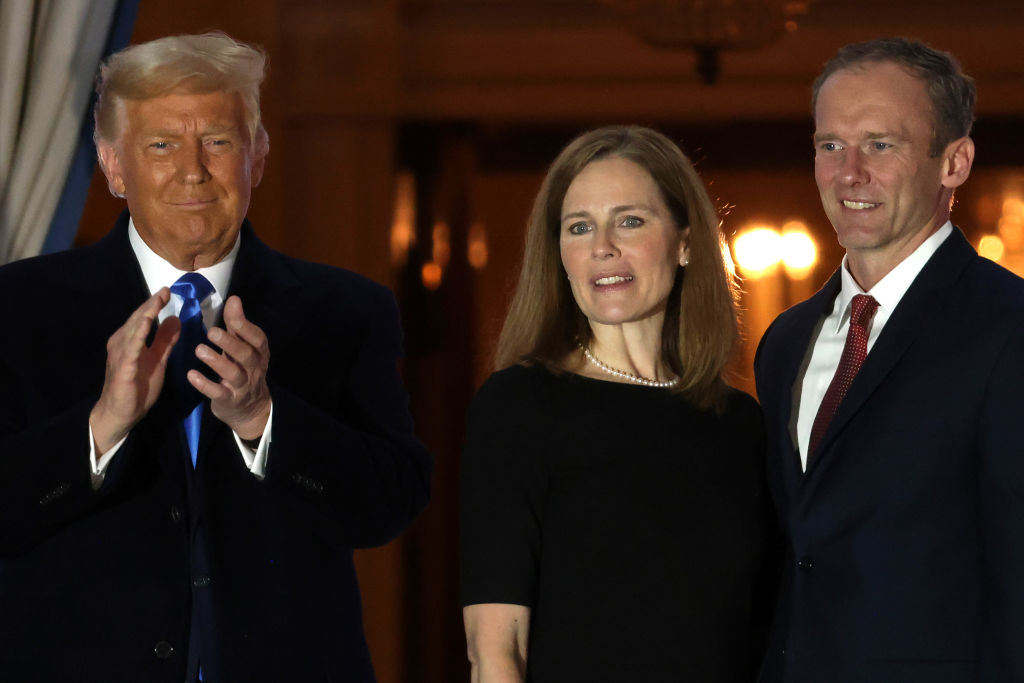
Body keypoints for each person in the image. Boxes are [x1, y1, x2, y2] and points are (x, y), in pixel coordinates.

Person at [0, 32, 431, 682]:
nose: (193, 169)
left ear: (257, 157)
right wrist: (101, 426)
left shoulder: (346, 310)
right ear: (114, 165)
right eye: (162, 145)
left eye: (219, 142)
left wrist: (265, 420)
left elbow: (390, 502)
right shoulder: (18, 308)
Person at [460, 126, 778, 682]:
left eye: (629, 221)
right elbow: (496, 649)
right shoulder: (519, 405)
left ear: (684, 243)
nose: (601, 246)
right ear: (559, 255)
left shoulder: (739, 424)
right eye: (579, 227)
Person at [754, 37, 1024, 681]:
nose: (850, 172)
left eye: (880, 144)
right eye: (830, 146)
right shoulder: (785, 340)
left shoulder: (1009, 325)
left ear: (954, 162)